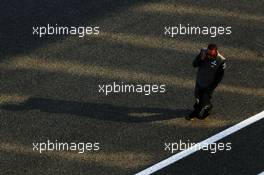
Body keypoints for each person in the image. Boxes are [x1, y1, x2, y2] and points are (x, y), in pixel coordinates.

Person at [186, 44, 227, 120]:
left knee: (203, 99)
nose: (209, 56)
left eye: (211, 54)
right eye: (208, 54)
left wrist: (211, 88)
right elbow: (194, 64)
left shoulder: (221, 61)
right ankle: (207, 106)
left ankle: (195, 113)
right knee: (197, 97)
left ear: (216, 52)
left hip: (209, 85)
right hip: (199, 81)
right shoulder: (203, 52)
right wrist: (201, 59)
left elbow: (219, 77)